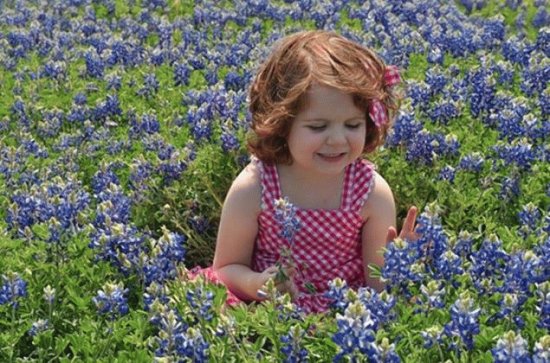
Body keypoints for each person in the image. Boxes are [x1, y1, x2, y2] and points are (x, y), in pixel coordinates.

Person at [196, 30, 418, 313]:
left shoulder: (371, 193)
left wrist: (399, 264)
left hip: (344, 313)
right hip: (269, 309)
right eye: (317, 126)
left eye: (352, 125)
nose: (338, 139)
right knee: (209, 305)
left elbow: (378, 286)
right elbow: (226, 268)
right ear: (282, 123)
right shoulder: (255, 187)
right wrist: (256, 284)